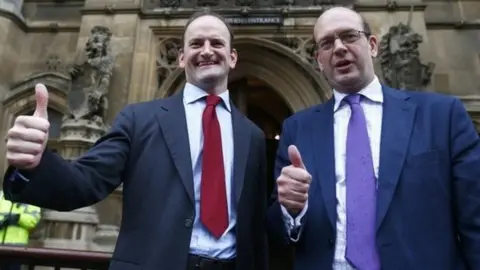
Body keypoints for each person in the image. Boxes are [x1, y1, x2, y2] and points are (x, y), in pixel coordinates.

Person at [3, 11, 268, 270]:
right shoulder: (139, 120)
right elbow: (84, 182)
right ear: (181, 57)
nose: (207, 50)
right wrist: (33, 165)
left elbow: (257, 230)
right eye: (196, 43)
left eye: (217, 43)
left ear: (232, 57)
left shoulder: (253, 137)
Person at [267, 6, 480, 270]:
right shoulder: (297, 129)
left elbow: (475, 218)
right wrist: (291, 210)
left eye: (349, 36)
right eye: (326, 43)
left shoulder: (442, 116)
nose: (339, 47)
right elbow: (276, 233)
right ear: (319, 61)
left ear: (373, 45)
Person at [0, 190, 41, 270]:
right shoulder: (1, 195)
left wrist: (18, 218)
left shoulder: (32, 199)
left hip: (16, 249)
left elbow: (34, 220)